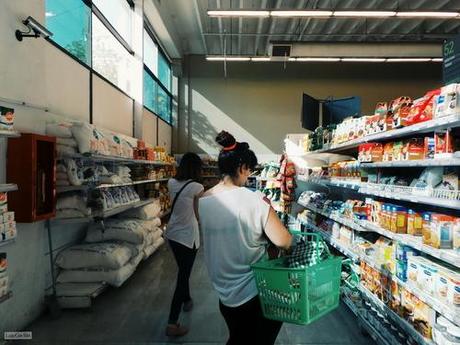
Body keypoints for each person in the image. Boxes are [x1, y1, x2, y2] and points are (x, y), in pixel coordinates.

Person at [199, 131, 293, 345]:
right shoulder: (255, 200)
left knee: (238, 336)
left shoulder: (202, 200)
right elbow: (283, 241)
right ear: (241, 168)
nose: (248, 177)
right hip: (254, 292)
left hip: (224, 293)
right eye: (248, 171)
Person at [164, 152, 204, 337]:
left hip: (172, 234)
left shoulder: (171, 182)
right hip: (188, 236)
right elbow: (198, 214)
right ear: (196, 168)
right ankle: (172, 323)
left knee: (183, 270)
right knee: (183, 276)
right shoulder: (197, 187)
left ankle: (187, 300)